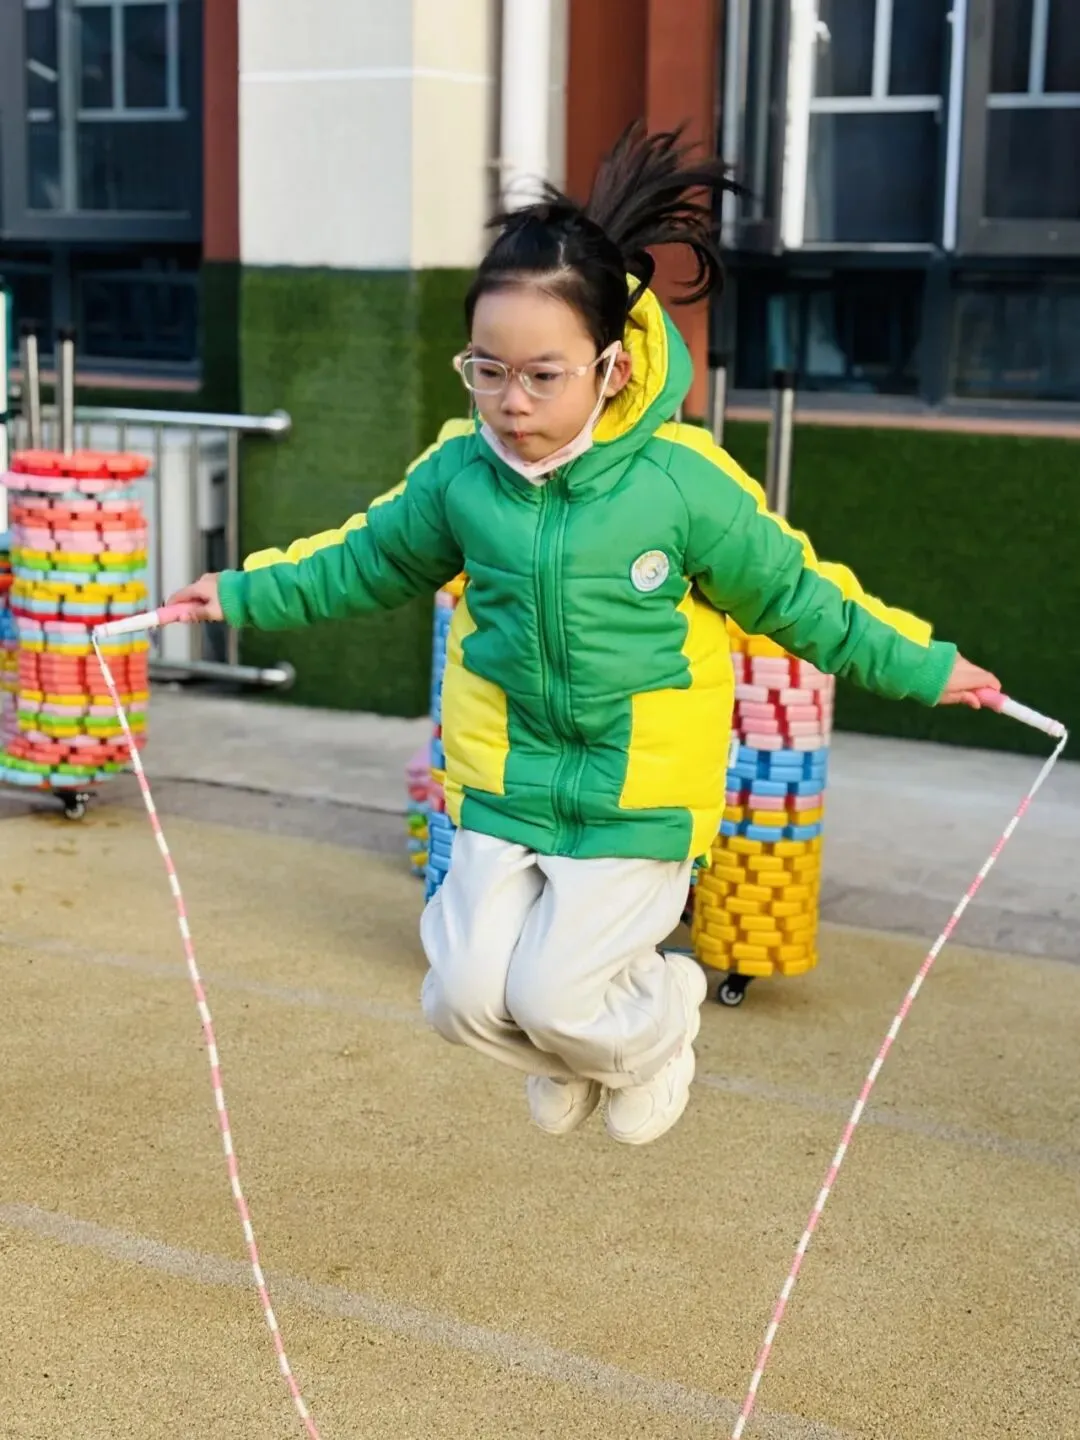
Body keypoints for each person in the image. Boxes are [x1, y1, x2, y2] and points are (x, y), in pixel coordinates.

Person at [167, 125, 999, 1147]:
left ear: (610, 368)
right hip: (505, 778)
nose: (510, 403)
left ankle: (655, 1021)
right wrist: (238, 593)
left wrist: (925, 666)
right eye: (486, 370)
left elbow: (802, 597)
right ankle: (582, 1050)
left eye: (541, 375)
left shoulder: (681, 484)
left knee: (554, 997)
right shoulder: (458, 475)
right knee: (457, 1000)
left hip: (635, 793)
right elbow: (362, 560)